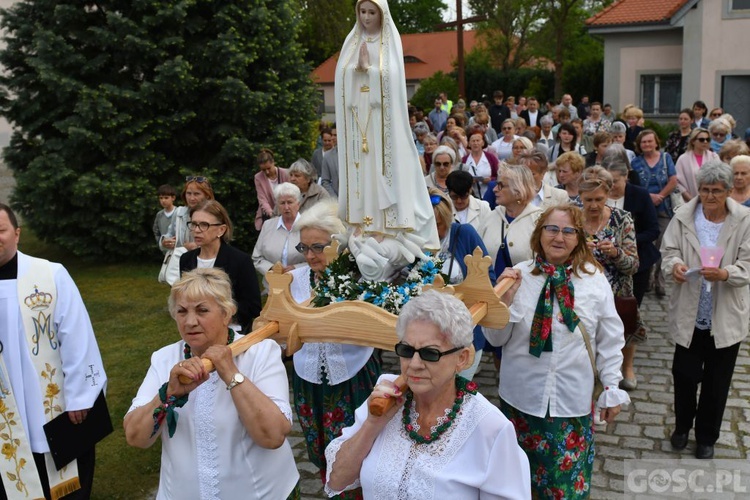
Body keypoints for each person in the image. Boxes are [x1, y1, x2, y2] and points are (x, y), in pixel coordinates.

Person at [325, 291, 531, 499]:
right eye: (406, 350)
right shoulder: (385, 397)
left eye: (430, 353)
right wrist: (372, 424)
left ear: (462, 358)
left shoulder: (491, 429)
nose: (414, 364)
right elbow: (337, 480)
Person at [486, 205, 630, 498]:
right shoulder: (517, 277)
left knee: (565, 490)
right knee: (515, 486)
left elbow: (610, 338)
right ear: (539, 234)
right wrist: (505, 302)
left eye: (568, 231)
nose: (559, 237)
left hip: (570, 404)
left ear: (578, 238)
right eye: (552, 229)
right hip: (520, 403)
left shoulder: (594, 280)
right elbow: (495, 339)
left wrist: (612, 385)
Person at [124, 268, 299, 498]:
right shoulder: (164, 359)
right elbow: (135, 437)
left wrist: (230, 372)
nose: (190, 321)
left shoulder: (260, 353)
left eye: (202, 310)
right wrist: (167, 394)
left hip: (262, 493)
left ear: (227, 313)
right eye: (182, 311)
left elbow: (273, 436)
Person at [0, 203, 107, 499]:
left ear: (17, 233)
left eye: (1, 230)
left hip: (52, 407)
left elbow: (77, 336)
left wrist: (81, 396)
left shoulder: (50, 274)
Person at [289, 201, 381, 496]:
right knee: (319, 448)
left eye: (318, 247)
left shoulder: (360, 278)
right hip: (309, 379)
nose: (311, 256)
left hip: (353, 377)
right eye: (304, 248)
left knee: (358, 447)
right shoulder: (293, 280)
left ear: (338, 244)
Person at [661, 160, 750, 460]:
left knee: (717, 381)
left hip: (724, 313)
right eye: (705, 189)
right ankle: (682, 427)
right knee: (684, 375)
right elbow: (669, 250)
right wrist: (674, 267)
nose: (710, 196)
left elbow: (748, 265)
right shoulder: (684, 216)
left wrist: (726, 274)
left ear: (728, 191)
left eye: (716, 190)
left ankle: (707, 436)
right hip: (690, 309)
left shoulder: (744, 220)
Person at [335, 0, 439, 256]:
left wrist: (368, 70)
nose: (367, 17)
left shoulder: (388, 42)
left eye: (372, 12)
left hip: (383, 127)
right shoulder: (352, 43)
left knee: (381, 170)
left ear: (382, 15)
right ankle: (362, 222)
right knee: (362, 171)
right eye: (362, 12)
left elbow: (392, 78)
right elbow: (341, 76)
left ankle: (385, 225)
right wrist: (354, 70)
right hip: (358, 121)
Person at [579, 167, 641, 390]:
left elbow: (633, 266)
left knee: (619, 338)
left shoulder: (622, 219)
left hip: (616, 292)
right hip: (582, 294)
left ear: (608, 195)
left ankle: (624, 370)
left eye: (599, 199)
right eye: (588, 200)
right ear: (579, 196)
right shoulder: (572, 218)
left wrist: (615, 253)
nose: (594, 205)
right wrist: (578, 251)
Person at [429, 189, 495, 380]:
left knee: (459, 388)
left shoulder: (464, 233)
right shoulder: (418, 241)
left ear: (448, 220)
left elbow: (488, 277)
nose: (433, 232)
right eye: (428, 226)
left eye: (438, 225)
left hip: (465, 328)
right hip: (429, 332)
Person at [179, 200, 261, 334]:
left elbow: (253, 307)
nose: (197, 230)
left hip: (230, 330)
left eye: (204, 225)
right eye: (194, 224)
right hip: (194, 329)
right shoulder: (186, 259)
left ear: (221, 230)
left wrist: (217, 315)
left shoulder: (240, 260)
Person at [631, 129, 678, 297]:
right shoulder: (635, 162)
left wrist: (660, 196)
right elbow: (634, 184)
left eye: (650, 141)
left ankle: (660, 280)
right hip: (643, 211)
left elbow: (673, 180)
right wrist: (648, 197)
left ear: (656, 142)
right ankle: (647, 279)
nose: (647, 144)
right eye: (643, 142)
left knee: (662, 246)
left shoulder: (666, 159)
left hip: (663, 208)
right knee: (647, 245)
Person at [478, 164, 542, 279]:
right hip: (491, 293)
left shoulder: (539, 221)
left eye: (500, 185)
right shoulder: (490, 217)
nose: (494, 189)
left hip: (524, 293)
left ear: (518, 190)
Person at [252, 183, 308, 293]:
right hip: (273, 288)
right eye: (282, 203)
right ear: (277, 204)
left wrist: (296, 269)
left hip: (302, 287)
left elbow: (319, 258)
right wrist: (272, 268)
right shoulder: (268, 225)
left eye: (290, 202)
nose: (286, 207)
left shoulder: (309, 226)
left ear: (298, 204)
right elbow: (256, 258)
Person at [160, 176, 215, 254]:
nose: (192, 198)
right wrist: (165, 241)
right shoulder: (179, 212)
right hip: (179, 262)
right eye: (188, 193)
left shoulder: (214, 214)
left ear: (207, 195)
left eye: (196, 194)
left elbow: (219, 242)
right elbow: (170, 233)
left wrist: (197, 246)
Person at [675, 128, 718, 202]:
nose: (705, 142)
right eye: (701, 139)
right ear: (693, 141)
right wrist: (692, 201)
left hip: (712, 201)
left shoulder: (714, 157)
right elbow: (678, 183)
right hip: (689, 202)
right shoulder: (683, 159)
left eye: (707, 139)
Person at [254, 148, 291, 231]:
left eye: (269, 168)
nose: (267, 172)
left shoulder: (286, 173)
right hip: (269, 215)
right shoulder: (258, 178)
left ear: (273, 162)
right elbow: (262, 199)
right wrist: (272, 214)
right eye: (263, 170)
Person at [462, 130, 498, 197]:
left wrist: (490, 180)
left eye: (478, 140)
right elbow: (460, 178)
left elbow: (499, 176)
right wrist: (469, 181)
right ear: (469, 143)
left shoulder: (491, 158)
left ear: (483, 143)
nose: (475, 143)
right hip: (470, 196)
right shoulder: (464, 160)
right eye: (473, 141)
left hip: (489, 195)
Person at [153, 184, 177, 254]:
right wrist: (161, 243)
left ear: (173, 198)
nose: (163, 200)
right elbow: (156, 231)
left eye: (166, 198)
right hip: (165, 251)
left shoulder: (179, 213)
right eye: (161, 198)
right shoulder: (159, 215)